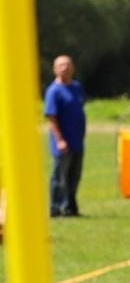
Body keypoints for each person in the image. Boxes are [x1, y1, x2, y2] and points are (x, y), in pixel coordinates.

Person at [43, 54, 87, 218]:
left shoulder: (76, 87)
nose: (65, 68)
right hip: (62, 142)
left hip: (77, 141)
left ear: (73, 68)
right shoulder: (53, 91)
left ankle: (70, 208)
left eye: (67, 65)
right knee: (59, 177)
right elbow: (51, 118)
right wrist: (60, 140)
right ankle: (55, 209)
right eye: (61, 65)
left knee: (74, 176)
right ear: (55, 69)